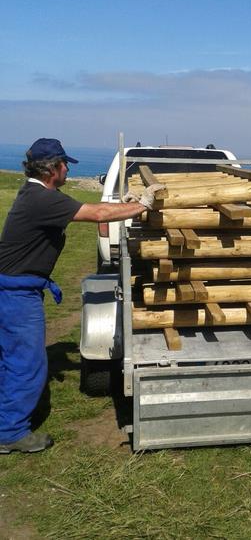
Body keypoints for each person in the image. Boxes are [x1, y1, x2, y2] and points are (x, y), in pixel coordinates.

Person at [0, 138, 163, 453]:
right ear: (52, 169)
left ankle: (4, 420)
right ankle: (9, 432)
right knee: (27, 363)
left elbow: (94, 208)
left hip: (11, 288)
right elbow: (98, 212)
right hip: (16, 295)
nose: (67, 170)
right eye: (64, 165)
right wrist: (142, 205)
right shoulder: (41, 200)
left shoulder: (38, 194)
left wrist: (127, 201)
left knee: (9, 359)